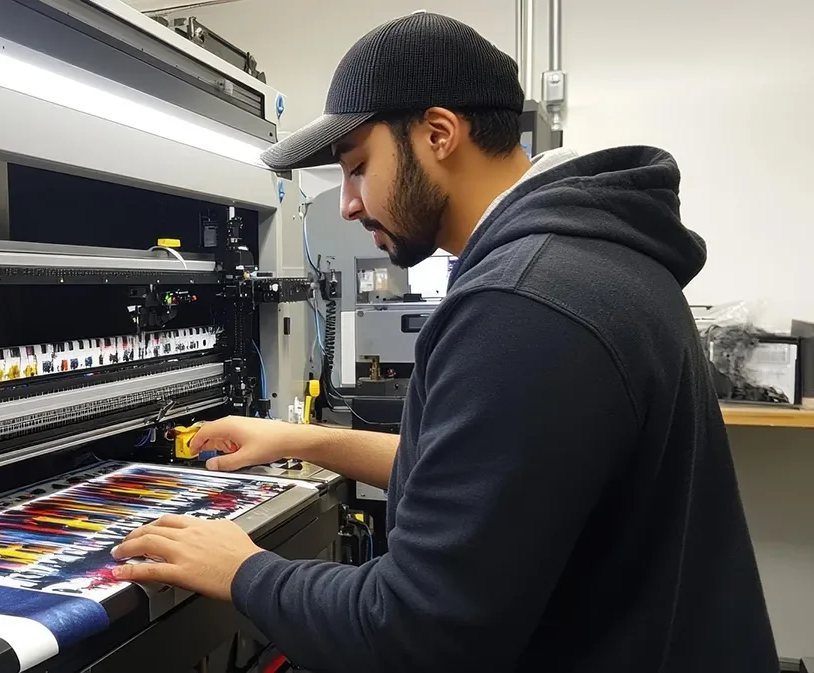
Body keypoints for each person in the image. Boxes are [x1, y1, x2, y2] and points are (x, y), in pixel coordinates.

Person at [112, 11, 777, 672]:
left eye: (357, 167)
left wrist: (243, 568)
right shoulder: (582, 259)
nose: (346, 203)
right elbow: (476, 477)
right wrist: (299, 440)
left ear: (438, 133)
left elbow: (413, 632)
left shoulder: (524, 304)